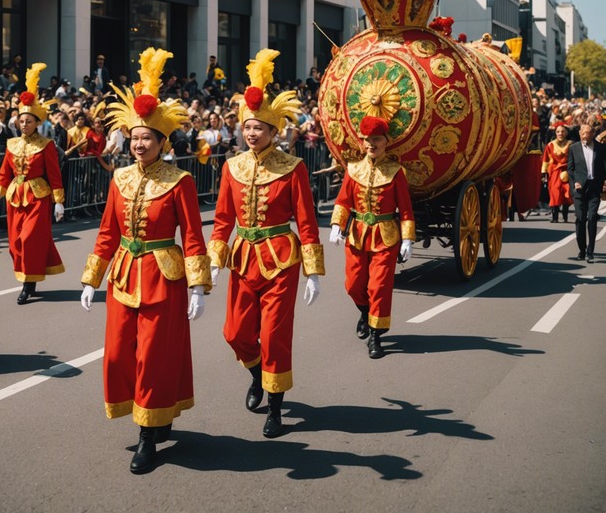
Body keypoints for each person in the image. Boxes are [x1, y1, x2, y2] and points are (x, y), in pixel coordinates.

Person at [80, 47, 211, 474]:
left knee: (155, 355)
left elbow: (193, 234)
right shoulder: (119, 177)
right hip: (123, 274)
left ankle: (148, 435)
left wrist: (197, 284)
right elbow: (107, 231)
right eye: (134, 138)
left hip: (163, 276)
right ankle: (151, 415)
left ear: (162, 142)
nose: (138, 145)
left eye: (146, 139)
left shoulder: (180, 181)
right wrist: (90, 278)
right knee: (119, 354)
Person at [207, 49, 324, 439]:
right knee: (234, 332)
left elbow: (306, 220)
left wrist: (313, 271)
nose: (252, 133)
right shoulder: (231, 167)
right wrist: (212, 258)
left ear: (276, 132)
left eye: (260, 128)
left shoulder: (293, 168)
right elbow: (223, 218)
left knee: (274, 335)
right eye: (248, 127)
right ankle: (258, 375)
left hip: (281, 259)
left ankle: (276, 406)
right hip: (243, 259)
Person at [329, 116, 415, 359]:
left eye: (376, 139)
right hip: (356, 235)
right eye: (367, 139)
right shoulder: (353, 169)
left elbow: (405, 209)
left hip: (386, 236)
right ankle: (365, 312)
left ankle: (376, 336)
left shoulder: (396, 172)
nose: (371, 144)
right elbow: (343, 201)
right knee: (353, 284)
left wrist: (407, 239)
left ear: (386, 142)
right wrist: (337, 224)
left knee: (379, 286)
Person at [0, 63, 65, 303]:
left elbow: (54, 175)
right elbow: (4, 173)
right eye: (21, 120)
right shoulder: (12, 145)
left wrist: (59, 202)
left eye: (29, 121)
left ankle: (27, 283)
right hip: (14, 196)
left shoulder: (46, 145)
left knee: (30, 239)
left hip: (37, 197)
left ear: (36, 122)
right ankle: (29, 276)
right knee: (14, 243)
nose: (24, 124)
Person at [567, 122, 606, 263]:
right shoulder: (573, 148)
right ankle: (582, 250)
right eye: (583, 133)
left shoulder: (601, 148)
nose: (585, 136)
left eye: (588, 133)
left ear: (593, 134)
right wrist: (575, 181)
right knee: (581, 219)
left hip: (594, 187)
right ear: (579, 134)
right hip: (579, 188)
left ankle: (591, 251)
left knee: (592, 217)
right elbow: (570, 169)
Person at [542, 122, 573, 223]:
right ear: (555, 133)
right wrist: (544, 173)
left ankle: (565, 215)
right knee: (555, 193)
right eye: (558, 131)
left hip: (567, 172)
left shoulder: (571, 145)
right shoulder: (550, 145)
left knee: (566, 194)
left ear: (566, 133)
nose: (560, 133)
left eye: (563, 131)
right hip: (554, 173)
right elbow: (545, 160)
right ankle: (555, 217)